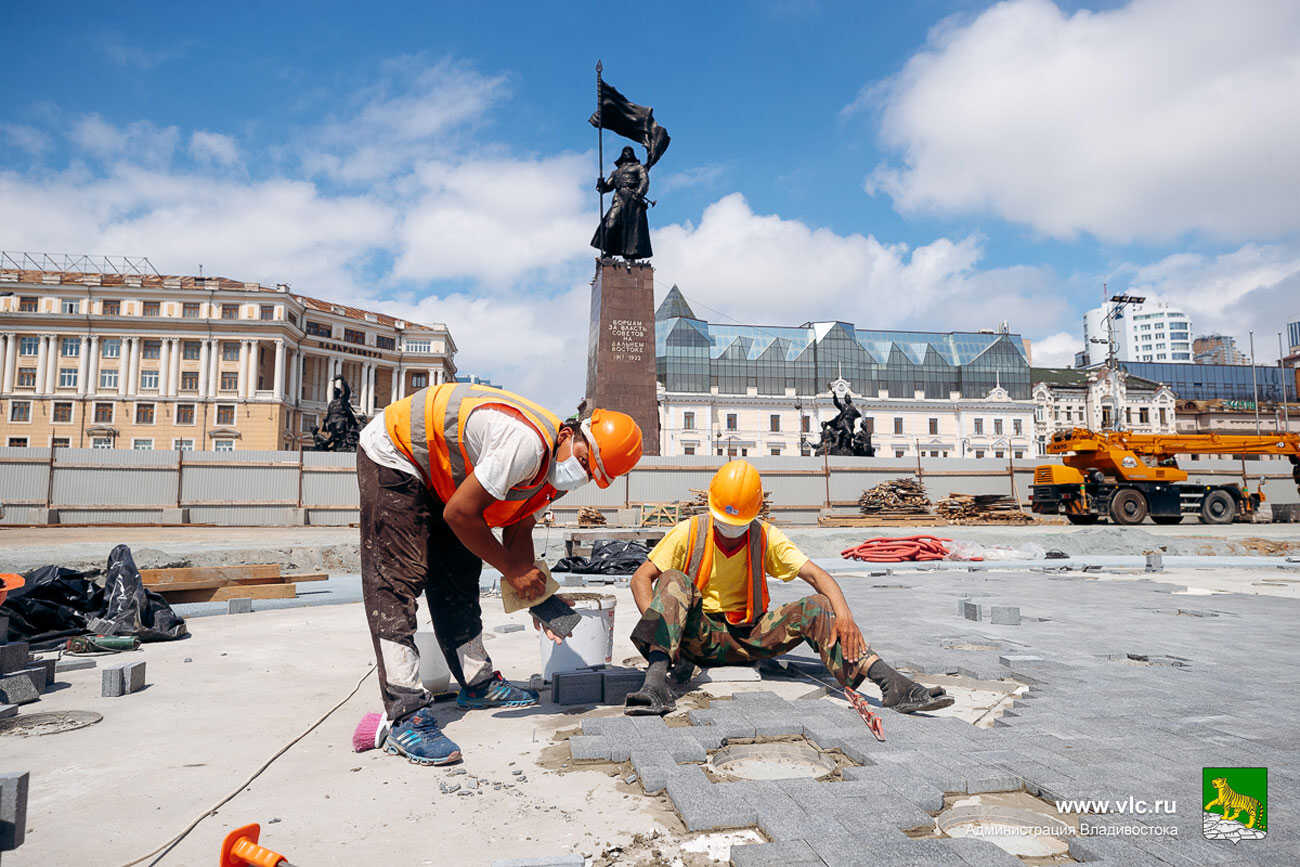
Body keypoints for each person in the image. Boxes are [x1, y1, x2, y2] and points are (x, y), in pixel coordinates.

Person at [357, 382, 643, 764]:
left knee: (459, 572)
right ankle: (405, 714)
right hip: (397, 453)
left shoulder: (553, 477)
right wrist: (511, 569)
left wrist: (538, 598)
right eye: (584, 459)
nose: (583, 473)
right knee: (396, 579)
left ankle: (477, 684)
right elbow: (460, 514)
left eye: (593, 474)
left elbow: (518, 527)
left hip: (444, 479)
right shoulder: (526, 445)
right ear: (568, 434)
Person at [624, 459, 953, 716]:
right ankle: (656, 684)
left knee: (819, 606)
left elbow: (817, 576)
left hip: (751, 637)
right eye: (725, 521)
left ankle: (890, 684)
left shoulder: (764, 536)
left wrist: (845, 616)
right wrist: (667, 632)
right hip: (698, 640)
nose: (730, 529)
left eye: (739, 524)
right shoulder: (689, 532)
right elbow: (641, 578)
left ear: (754, 514)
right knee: (672, 581)